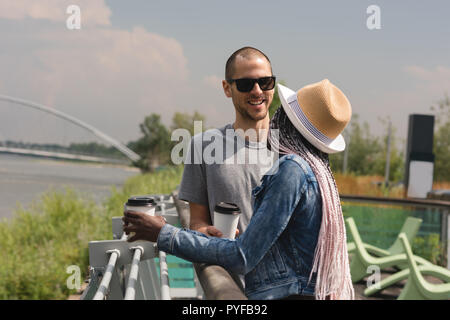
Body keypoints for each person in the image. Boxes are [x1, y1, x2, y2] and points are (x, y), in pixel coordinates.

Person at [123, 79, 355, 300]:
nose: (272, 119)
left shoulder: (291, 170)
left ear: (285, 121)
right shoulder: (318, 172)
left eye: (280, 112)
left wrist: (164, 234)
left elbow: (242, 256)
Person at [179, 46, 276, 239]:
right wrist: (205, 232)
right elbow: (197, 221)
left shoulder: (294, 149)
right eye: (246, 84)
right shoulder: (203, 146)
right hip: (230, 268)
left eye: (265, 82)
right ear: (227, 88)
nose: (257, 91)